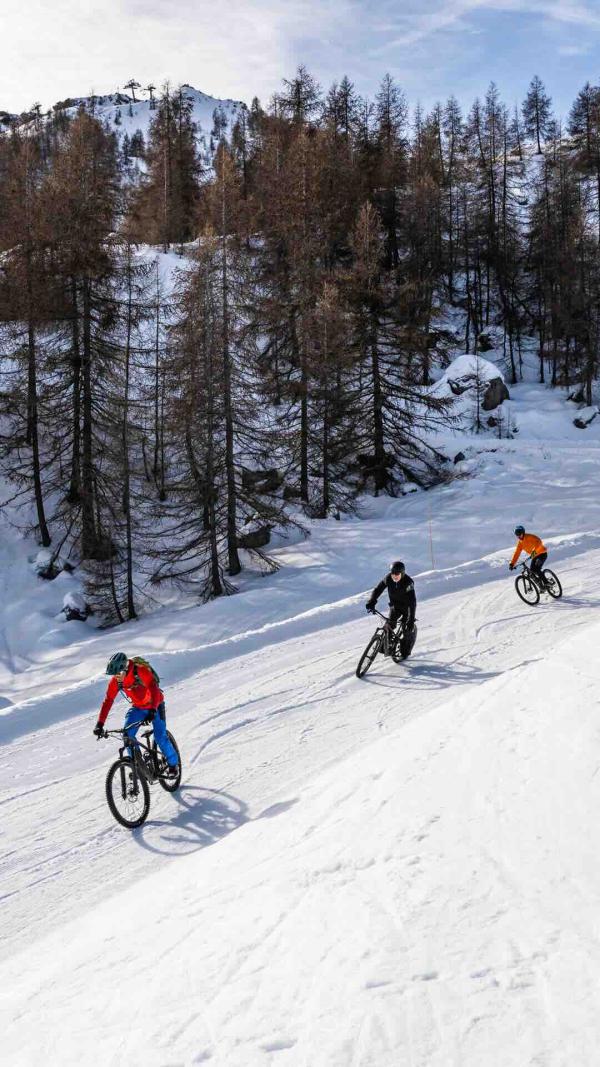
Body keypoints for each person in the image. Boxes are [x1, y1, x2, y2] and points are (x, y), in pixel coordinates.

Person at [93, 652, 179, 776]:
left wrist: (153, 710)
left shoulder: (140, 671)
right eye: (114, 675)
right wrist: (100, 724)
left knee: (160, 737)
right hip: (138, 708)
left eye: (118, 673)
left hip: (156, 705)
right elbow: (108, 701)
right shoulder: (116, 682)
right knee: (127, 736)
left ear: (125, 669)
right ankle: (138, 766)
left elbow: (154, 689)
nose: (116, 677)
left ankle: (173, 765)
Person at [366, 561, 417, 655]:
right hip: (395, 607)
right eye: (392, 573)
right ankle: (387, 647)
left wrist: (411, 619)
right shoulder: (388, 578)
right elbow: (378, 589)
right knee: (389, 626)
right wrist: (371, 601)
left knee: (407, 630)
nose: (394, 576)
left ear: (402, 573)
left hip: (407, 609)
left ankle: (406, 649)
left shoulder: (408, 582)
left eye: (397, 574)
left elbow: (412, 602)